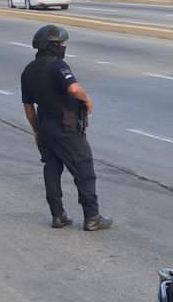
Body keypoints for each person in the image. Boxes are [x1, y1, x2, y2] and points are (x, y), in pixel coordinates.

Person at [19, 23, 112, 231]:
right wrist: (87, 100)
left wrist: (36, 130)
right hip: (66, 126)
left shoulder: (28, 71)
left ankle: (58, 215)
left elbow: (28, 106)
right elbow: (73, 88)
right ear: (51, 46)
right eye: (61, 43)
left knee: (52, 169)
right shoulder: (58, 66)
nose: (63, 47)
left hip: (45, 126)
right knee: (84, 169)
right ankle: (92, 216)